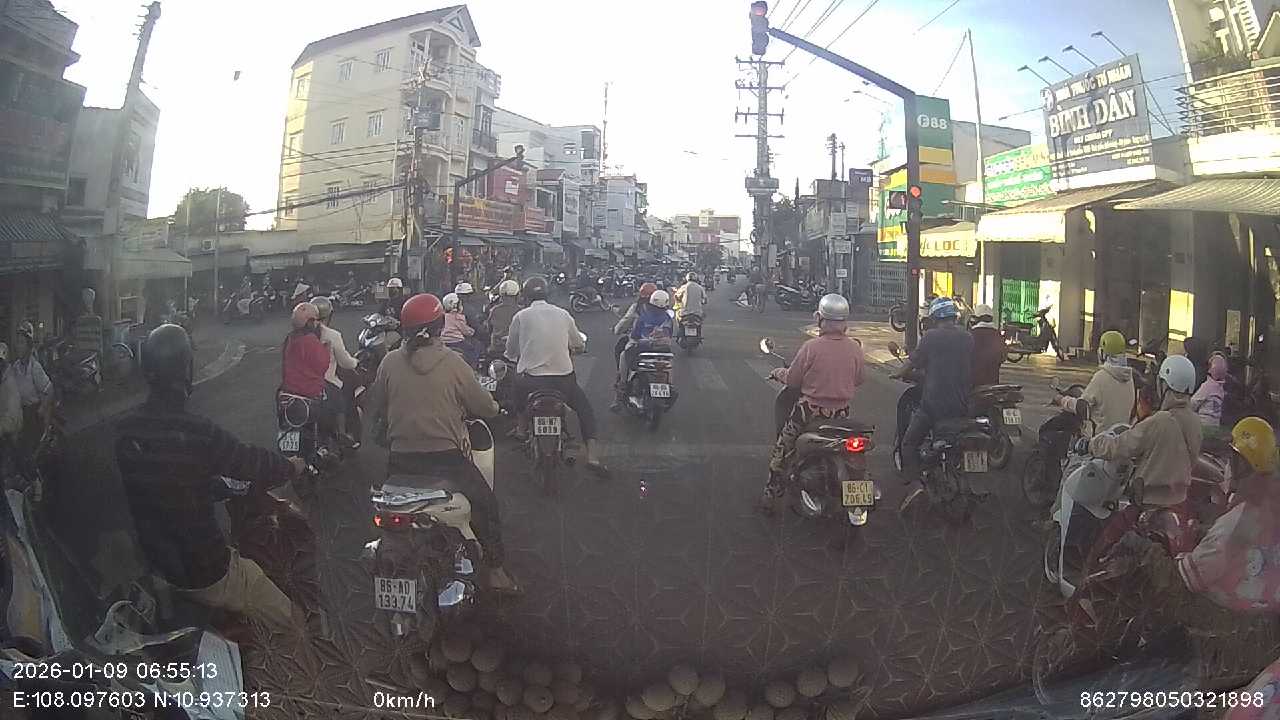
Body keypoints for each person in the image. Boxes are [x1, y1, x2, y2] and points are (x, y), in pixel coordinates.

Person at [114, 324, 309, 632]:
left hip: (157, 566)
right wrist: (290, 467)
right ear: (187, 370)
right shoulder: (198, 432)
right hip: (205, 569)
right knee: (293, 623)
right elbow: (249, 462)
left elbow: (164, 482)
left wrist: (213, 486)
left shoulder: (126, 430)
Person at [364, 294, 517, 591]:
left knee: (390, 508)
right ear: (438, 326)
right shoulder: (453, 363)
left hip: (400, 459)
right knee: (486, 507)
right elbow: (483, 406)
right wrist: (496, 408)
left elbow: (377, 404)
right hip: (445, 458)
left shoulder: (389, 362)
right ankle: (496, 572)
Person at [757, 294, 866, 514]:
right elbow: (859, 379)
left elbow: (793, 380)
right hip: (842, 414)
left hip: (809, 412)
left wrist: (778, 372)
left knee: (783, 449)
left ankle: (770, 495)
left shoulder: (812, 347)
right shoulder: (855, 348)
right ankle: (856, 499)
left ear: (820, 319)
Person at [505, 276, 608, 474]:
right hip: (563, 380)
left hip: (531, 381)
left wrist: (516, 354)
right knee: (585, 410)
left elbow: (510, 350)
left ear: (524, 296)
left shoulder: (521, 316)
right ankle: (593, 457)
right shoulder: (563, 314)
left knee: (516, 387)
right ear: (548, 293)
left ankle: (521, 428)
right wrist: (576, 348)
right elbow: (578, 343)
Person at [1087, 354, 1201, 508]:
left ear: (1165, 385)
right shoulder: (1195, 421)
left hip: (1149, 502)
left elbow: (1121, 446)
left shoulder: (1160, 420)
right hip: (1179, 500)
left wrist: (1091, 445)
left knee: (1112, 523)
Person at [892, 297, 974, 488]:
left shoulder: (931, 337)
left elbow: (913, 361)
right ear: (954, 316)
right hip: (961, 405)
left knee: (909, 443)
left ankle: (914, 483)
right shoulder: (967, 338)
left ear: (935, 317)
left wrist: (898, 373)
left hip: (934, 405)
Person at [1053, 330, 1136, 435]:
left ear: (1103, 354)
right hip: (1122, 437)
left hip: (1100, 439)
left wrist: (1062, 400)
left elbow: (1082, 407)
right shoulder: (1130, 378)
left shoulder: (1101, 377)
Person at [311, 296, 360, 449]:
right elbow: (345, 362)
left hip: (300, 383)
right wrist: (356, 362)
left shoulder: (298, 334)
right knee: (341, 402)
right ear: (329, 315)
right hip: (325, 382)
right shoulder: (332, 335)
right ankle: (342, 434)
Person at [615, 289, 674, 408]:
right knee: (668, 363)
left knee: (623, 356)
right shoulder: (668, 317)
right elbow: (670, 334)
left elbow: (634, 334)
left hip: (642, 348)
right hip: (662, 349)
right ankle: (670, 385)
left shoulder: (641, 312)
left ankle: (623, 385)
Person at [9, 322, 52, 473]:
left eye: (21, 343)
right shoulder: (15, 367)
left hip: (34, 412)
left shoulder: (35, 367)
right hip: (21, 411)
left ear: (28, 346)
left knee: (28, 452)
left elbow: (49, 390)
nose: (18, 346)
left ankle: (35, 478)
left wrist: (42, 408)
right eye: (17, 343)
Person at [282, 303, 332, 430]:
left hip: (288, 392)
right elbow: (322, 366)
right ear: (309, 322)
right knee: (335, 401)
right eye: (314, 320)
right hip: (309, 392)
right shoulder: (310, 340)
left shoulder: (290, 338)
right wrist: (326, 350)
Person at [614, 283, 657, 379]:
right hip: (658, 344)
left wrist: (617, 330)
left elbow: (626, 321)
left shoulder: (637, 307)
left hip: (639, 343)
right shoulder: (663, 309)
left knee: (623, 354)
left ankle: (622, 380)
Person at [1190, 352, 1230, 428]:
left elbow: (1193, 403)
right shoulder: (1220, 388)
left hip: (1203, 424)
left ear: (1209, 369)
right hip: (1215, 425)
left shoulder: (1207, 386)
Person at [969, 304, 1004, 387]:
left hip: (974, 382)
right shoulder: (997, 334)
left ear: (976, 319)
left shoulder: (971, 335)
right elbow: (1002, 357)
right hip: (992, 381)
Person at [441, 292, 479, 368]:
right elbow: (465, 331)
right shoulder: (458, 317)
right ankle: (473, 368)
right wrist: (472, 331)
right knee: (472, 350)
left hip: (444, 342)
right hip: (457, 342)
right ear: (455, 306)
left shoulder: (443, 316)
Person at [487, 280, 522, 354]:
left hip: (496, 349)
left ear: (501, 295)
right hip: (515, 351)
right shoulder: (521, 312)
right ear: (518, 295)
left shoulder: (494, 310)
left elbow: (489, 329)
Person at [674, 272, 706, 340]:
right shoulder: (700, 287)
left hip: (684, 313)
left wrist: (679, 301)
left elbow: (676, 296)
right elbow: (705, 300)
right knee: (701, 320)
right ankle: (699, 333)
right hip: (697, 313)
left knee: (677, 315)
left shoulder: (684, 287)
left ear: (687, 278)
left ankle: (680, 331)